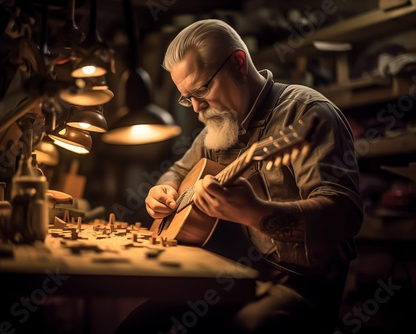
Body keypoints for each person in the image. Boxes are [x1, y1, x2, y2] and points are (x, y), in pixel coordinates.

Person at [116, 19, 363, 334]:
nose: (196, 107)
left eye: (203, 89)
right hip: (231, 276)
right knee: (136, 327)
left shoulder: (306, 113)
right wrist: (162, 191)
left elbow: (345, 214)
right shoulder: (219, 124)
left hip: (298, 286)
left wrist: (255, 212)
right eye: (186, 96)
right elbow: (176, 172)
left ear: (239, 63)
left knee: (246, 328)